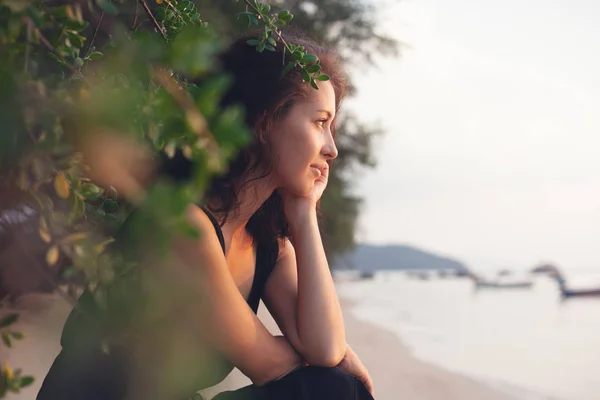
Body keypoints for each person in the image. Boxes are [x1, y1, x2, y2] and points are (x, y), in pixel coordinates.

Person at [37, 30, 374, 400]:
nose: (332, 149)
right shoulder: (182, 225)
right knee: (334, 388)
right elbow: (268, 366)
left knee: (338, 387)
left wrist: (304, 213)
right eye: (319, 122)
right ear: (265, 123)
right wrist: (329, 364)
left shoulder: (267, 248)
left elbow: (324, 348)